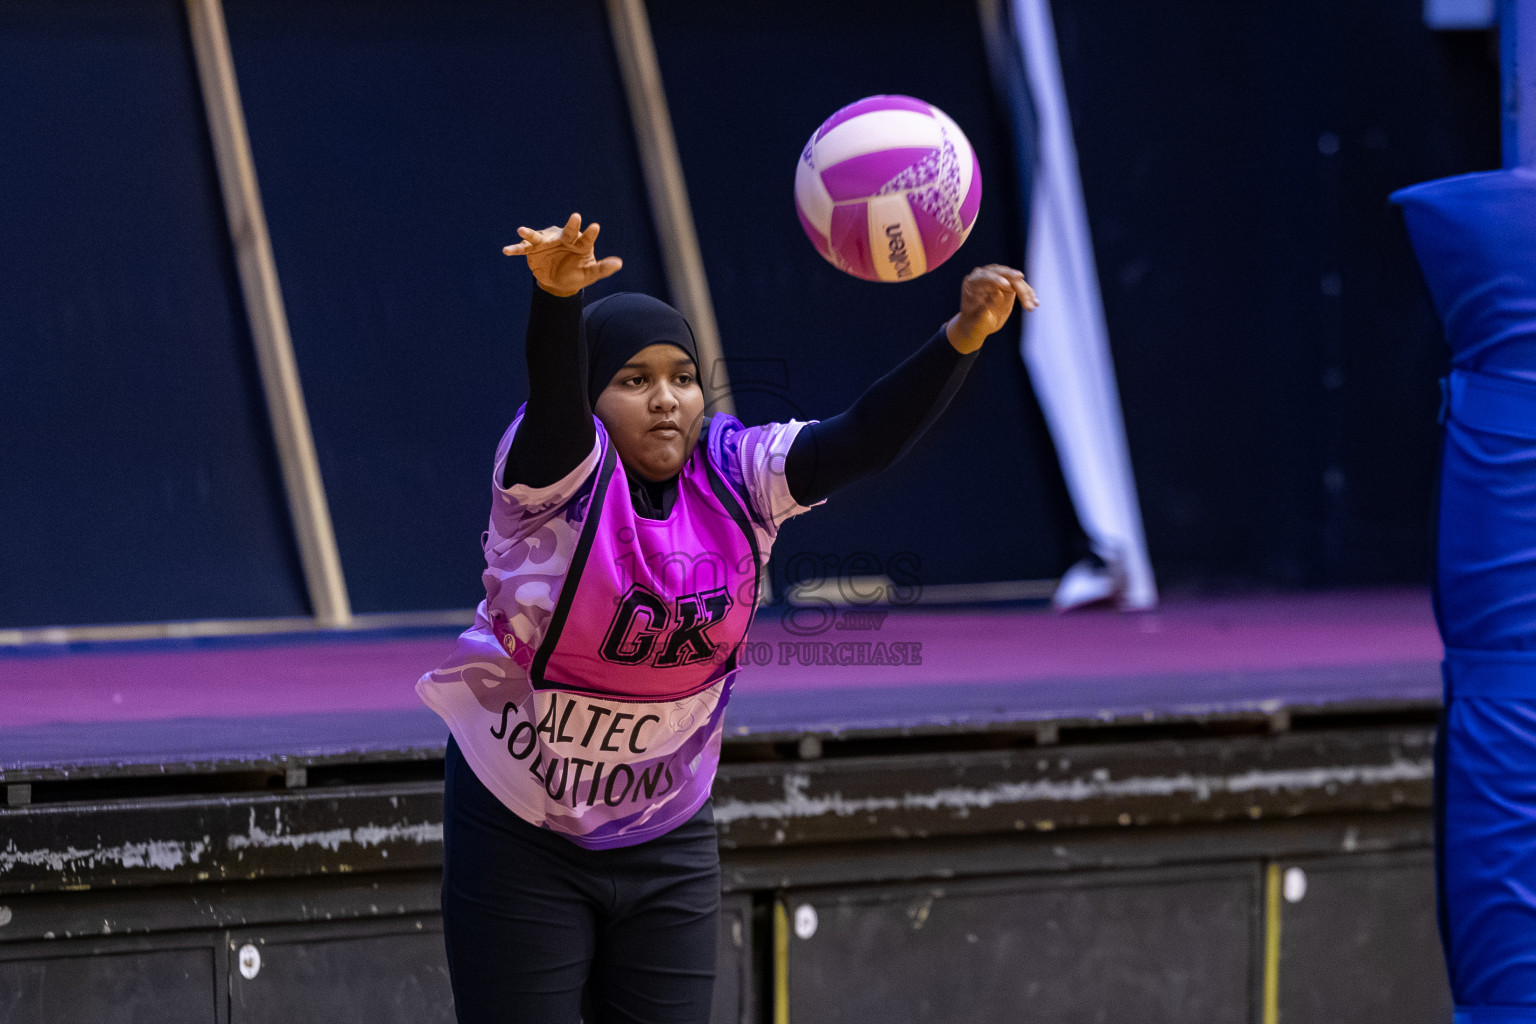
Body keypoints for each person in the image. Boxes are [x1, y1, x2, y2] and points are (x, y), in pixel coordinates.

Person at [416, 212, 1037, 1024]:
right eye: (633, 380)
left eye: (682, 377)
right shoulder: (551, 476)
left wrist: (964, 334)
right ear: (592, 397)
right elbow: (555, 404)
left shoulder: (736, 472)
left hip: (664, 825)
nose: (666, 400)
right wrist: (557, 303)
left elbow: (861, 440)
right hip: (519, 823)